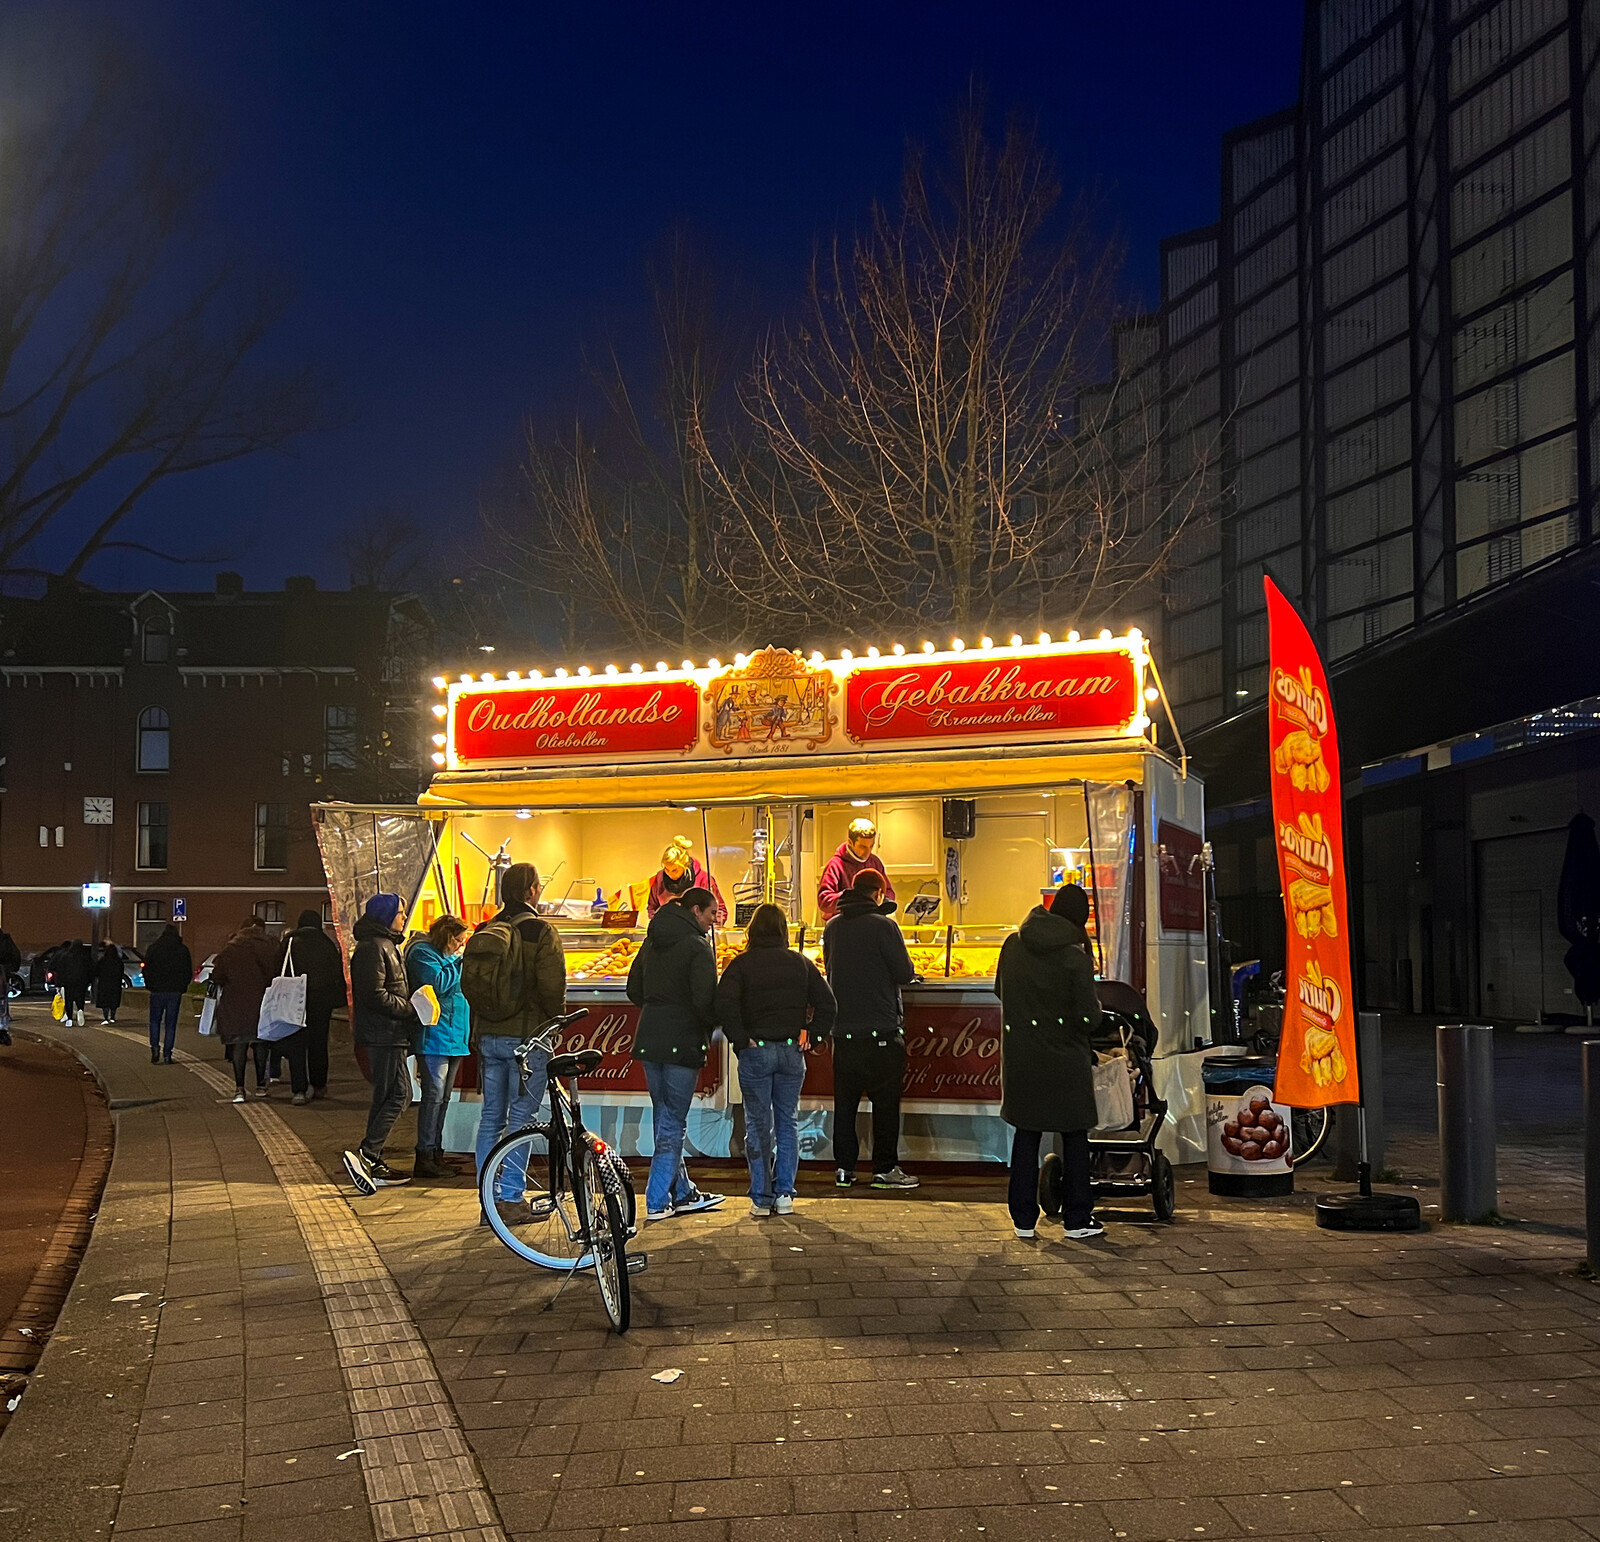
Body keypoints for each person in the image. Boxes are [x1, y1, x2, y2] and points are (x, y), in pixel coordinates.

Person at [996, 884, 1104, 1241]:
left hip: (1022, 1057)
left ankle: (1023, 1220)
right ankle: (1076, 1220)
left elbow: (1000, 990)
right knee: (1074, 1136)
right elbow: (1089, 1018)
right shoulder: (1075, 956)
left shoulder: (1013, 945)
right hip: (1065, 1061)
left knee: (1026, 1134)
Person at [716, 903, 836, 1218]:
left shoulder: (740, 965)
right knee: (787, 1123)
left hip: (755, 1053)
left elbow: (724, 1006)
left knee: (757, 1125)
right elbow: (828, 1004)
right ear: (783, 931)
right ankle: (785, 1194)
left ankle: (761, 1197)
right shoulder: (801, 964)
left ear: (752, 931)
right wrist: (813, 1035)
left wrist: (742, 1040)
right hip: (791, 1053)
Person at [467, 863, 568, 1222]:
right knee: (522, 1118)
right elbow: (552, 986)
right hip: (528, 1039)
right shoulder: (540, 931)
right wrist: (556, 1023)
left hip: (489, 1037)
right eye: (538, 887)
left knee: (491, 1117)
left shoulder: (485, 929)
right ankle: (509, 1198)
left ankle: (487, 1201)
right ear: (530, 892)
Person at [626, 887, 726, 1220]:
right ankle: (656, 1200)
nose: (714, 921)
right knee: (673, 1122)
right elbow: (704, 1001)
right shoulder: (698, 947)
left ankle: (683, 1192)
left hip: (649, 1037)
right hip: (681, 1041)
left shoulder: (653, 939)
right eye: (712, 914)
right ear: (696, 910)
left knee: (664, 1116)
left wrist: (658, 1009)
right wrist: (716, 1020)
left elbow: (633, 989)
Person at [823, 869, 918, 1189]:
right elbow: (904, 972)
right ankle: (885, 1169)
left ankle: (844, 1169)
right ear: (878, 893)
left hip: (843, 1032)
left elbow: (829, 967)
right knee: (885, 1104)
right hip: (880, 1030)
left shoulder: (832, 926)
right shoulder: (884, 926)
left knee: (845, 1105)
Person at [342, 894, 420, 1194]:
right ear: (386, 915)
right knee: (399, 1094)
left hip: (391, 1033)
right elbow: (373, 994)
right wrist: (411, 1009)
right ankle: (367, 1154)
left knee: (390, 1095)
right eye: (399, 913)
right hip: (382, 1034)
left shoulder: (385, 945)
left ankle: (372, 1160)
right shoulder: (374, 948)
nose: (403, 917)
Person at [405, 914, 471, 1181]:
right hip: (434, 1034)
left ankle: (436, 1153)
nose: (460, 945)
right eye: (458, 940)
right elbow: (439, 984)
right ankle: (425, 1154)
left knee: (443, 1099)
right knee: (432, 1097)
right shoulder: (422, 954)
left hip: (455, 1034)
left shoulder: (448, 954)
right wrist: (462, 961)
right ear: (446, 936)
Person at [275, 909, 347, 1100]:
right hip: (320, 1001)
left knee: (296, 1043)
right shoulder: (326, 944)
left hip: (294, 999)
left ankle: (299, 1088)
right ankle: (319, 1084)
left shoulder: (290, 942)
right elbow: (336, 974)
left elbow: (277, 968)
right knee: (319, 1043)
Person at [212, 918, 279, 1103]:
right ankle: (260, 1085)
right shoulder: (268, 947)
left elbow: (218, 976)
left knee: (239, 1045)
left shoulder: (230, 949)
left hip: (235, 1004)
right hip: (261, 1002)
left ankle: (239, 1088)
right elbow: (275, 974)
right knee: (260, 1044)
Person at [817, 817, 896, 920]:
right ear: (850, 842)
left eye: (871, 846)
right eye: (863, 847)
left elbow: (889, 892)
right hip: (844, 925)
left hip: (871, 923)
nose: (867, 852)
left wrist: (882, 900)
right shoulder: (835, 865)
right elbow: (824, 900)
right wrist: (850, 898)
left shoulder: (875, 862)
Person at [142, 923, 193, 1064]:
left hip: (157, 990)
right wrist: (182, 987)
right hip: (174, 991)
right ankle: (167, 1053)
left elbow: (147, 970)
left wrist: (150, 985)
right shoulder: (182, 950)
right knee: (171, 1023)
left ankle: (154, 1047)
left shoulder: (154, 949)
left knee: (154, 1021)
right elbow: (187, 971)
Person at [647, 836, 728, 926]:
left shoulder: (704, 879)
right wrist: (659, 925)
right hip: (668, 934)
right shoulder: (660, 879)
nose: (670, 874)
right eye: (666, 869)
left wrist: (708, 929)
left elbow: (720, 910)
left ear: (685, 865)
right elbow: (652, 907)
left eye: (675, 870)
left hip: (697, 935)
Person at [57, 940, 91, 1027]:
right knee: (80, 998)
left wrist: (60, 982)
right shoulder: (85, 957)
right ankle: (80, 1010)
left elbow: (60, 969)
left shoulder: (66, 956)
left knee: (69, 1000)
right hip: (81, 982)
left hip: (69, 982)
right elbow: (90, 969)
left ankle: (69, 1019)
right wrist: (88, 980)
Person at [0, 926, 19, 1048]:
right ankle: (2, 1031)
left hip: (2, 977)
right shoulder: (6, 941)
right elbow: (16, 958)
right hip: (2, 979)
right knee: (2, 1005)